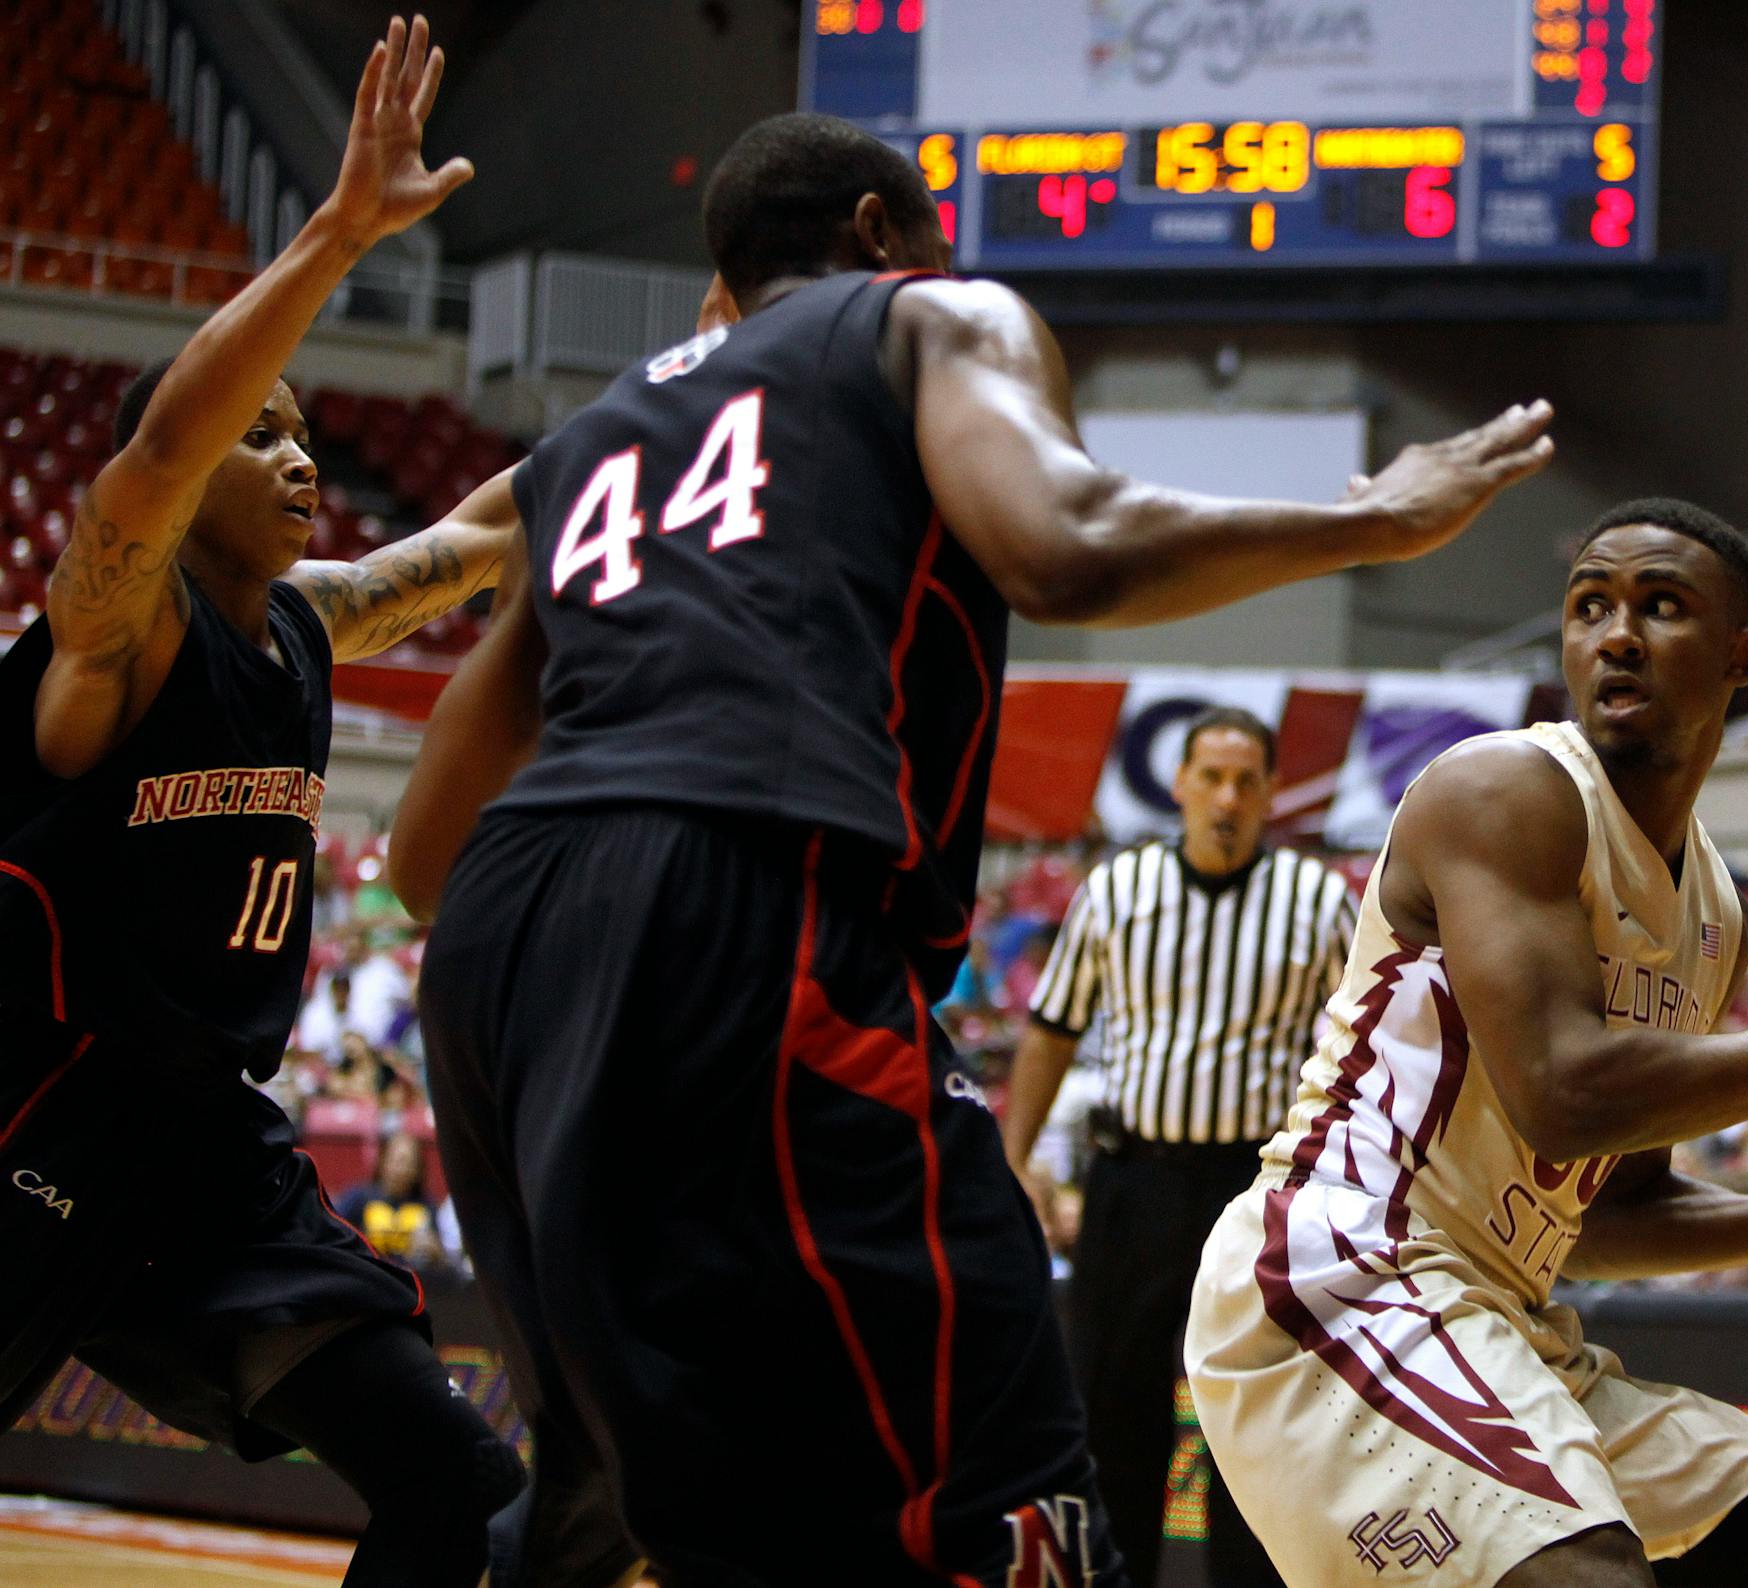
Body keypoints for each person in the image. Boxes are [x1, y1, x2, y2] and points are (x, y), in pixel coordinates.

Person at [387, 111, 1554, 1587]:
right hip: (747, 889)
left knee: (613, 1484)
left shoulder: (593, 433)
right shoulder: (926, 315)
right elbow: (1063, 547)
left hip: (497, 956)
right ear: (884, 234)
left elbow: (426, 843)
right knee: (1001, 1454)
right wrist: (1370, 516)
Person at [1185, 496, 1748, 1588]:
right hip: (1347, 1278)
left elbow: (1606, 1216)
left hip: (1499, 1312)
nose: (1616, 633)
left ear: (1744, 655)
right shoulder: (1502, 789)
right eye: (1590, 605)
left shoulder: (1717, 910)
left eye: (1660, 607)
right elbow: (1567, 1094)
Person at [0, 21, 526, 1586]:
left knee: (462, 1492)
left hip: (207, 1153)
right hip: (33, 1120)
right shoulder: (110, 634)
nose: (299, 457)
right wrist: (337, 235)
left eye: (307, 432)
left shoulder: (305, 624)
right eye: (263, 430)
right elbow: (160, 445)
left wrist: (712, 387)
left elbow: (477, 531)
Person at [1001, 704, 1357, 1587]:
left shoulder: (1319, 902)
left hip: (1257, 1191)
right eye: (1212, 778)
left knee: (1254, 1420)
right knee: (1110, 1414)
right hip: (1133, 1184)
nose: (1228, 797)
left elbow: (1367, 1042)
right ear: (1180, 786)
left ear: (1273, 791)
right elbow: (1051, 1030)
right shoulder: (1116, 892)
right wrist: (1014, 1158)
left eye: (1246, 780)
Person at [335, 1132, 445, 1270]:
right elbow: (334, 1232)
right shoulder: (359, 1197)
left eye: (411, 1163)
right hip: (367, 1273)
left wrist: (435, 1250)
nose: (404, 1170)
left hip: (410, 1279)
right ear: (383, 1161)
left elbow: (440, 1255)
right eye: (399, 1161)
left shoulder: (426, 1204)